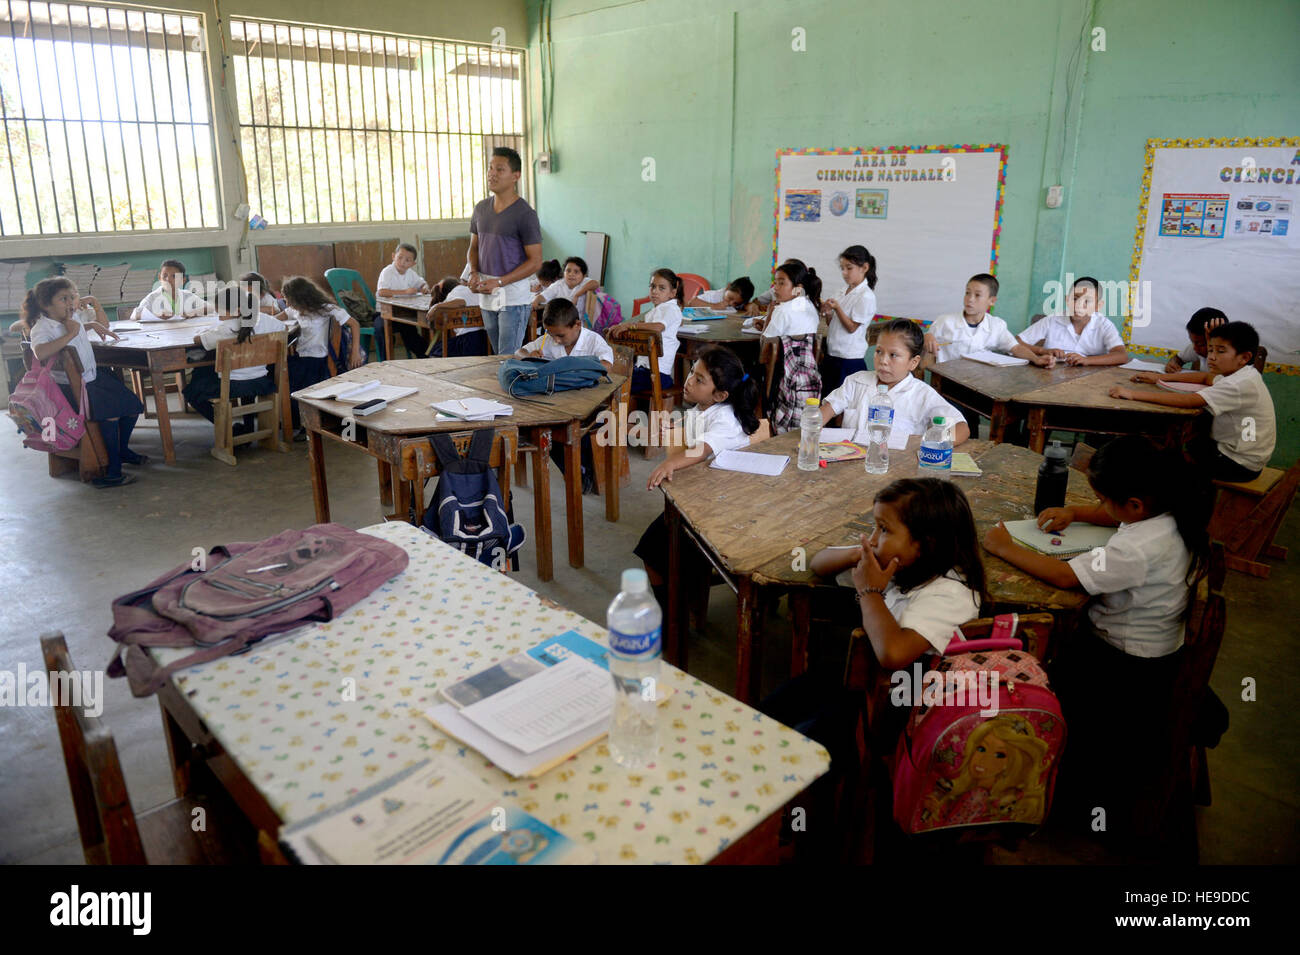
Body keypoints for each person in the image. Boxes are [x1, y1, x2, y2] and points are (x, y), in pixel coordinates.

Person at [982, 435, 1211, 847]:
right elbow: (1118, 518)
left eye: (1104, 499)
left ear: (1136, 504)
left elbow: (1066, 577)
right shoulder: (1172, 510)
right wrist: (1077, 511)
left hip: (1123, 669)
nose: (1102, 509)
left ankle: (1045, 785)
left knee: (1039, 665)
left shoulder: (1138, 548)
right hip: (1155, 653)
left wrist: (1004, 546)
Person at [810, 478, 985, 668]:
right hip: (866, 674)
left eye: (883, 529)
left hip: (907, 692)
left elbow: (893, 655)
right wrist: (859, 553)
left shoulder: (951, 596)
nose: (873, 539)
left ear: (926, 544)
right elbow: (818, 563)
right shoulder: (898, 562)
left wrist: (870, 591)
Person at [634, 345, 760, 608]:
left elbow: (700, 450)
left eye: (699, 379)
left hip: (721, 511)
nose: (689, 381)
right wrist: (675, 428)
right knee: (654, 551)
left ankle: (672, 616)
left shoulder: (726, 418)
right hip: (703, 499)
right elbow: (694, 430)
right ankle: (674, 607)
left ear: (721, 394)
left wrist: (670, 463)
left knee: (652, 552)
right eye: (692, 372)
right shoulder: (705, 408)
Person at [1110, 319, 1275, 482]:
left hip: (1238, 464)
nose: (1212, 357)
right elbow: (1205, 377)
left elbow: (1190, 400)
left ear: (1244, 357)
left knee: (1169, 458)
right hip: (1242, 454)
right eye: (1210, 350)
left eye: (1220, 351)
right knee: (1184, 438)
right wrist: (1160, 378)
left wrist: (1132, 394)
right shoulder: (1245, 374)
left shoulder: (1238, 384)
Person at [24, 277, 146, 488]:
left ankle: (122, 449)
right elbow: (40, 351)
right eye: (63, 298)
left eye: (73, 296)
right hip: (72, 390)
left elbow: (91, 326)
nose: (71, 302)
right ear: (46, 305)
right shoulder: (42, 327)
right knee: (112, 414)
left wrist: (88, 325)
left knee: (133, 406)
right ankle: (113, 472)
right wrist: (71, 332)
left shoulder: (71, 317)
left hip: (92, 379)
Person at [821, 318, 970, 445]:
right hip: (850, 461)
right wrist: (812, 427)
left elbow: (961, 428)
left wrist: (928, 444)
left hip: (895, 467)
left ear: (913, 362)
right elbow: (826, 410)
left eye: (893, 355)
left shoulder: (922, 395)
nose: (883, 361)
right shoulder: (856, 381)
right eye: (879, 351)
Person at [518, 299, 614, 493]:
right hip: (559, 404)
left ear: (577, 325)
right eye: (552, 335)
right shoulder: (548, 339)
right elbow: (520, 352)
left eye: (560, 335)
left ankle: (583, 471)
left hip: (591, 405)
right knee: (545, 432)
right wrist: (528, 356)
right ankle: (574, 471)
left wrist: (573, 369)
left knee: (581, 431)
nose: (556, 341)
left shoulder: (593, 340)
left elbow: (606, 365)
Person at [182, 284, 287, 435]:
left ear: (237, 309)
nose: (218, 314)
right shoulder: (263, 319)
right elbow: (285, 330)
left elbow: (197, 340)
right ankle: (248, 428)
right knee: (208, 374)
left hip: (233, 385)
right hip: (262, 381)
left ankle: (228, 431)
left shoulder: (225, 329)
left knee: (191, 393)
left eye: (220, 310)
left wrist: (204, 332)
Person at [468, 146, 543, 354]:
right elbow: (474, 247)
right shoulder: (481, 208)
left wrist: (500, 281)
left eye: (500, 169)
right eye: (490, 168)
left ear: (515, 176)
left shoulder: (525, 214)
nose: (492, 173)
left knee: (507, 357)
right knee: (496, 357)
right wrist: (473, 273)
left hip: (513, 297)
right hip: (487, 293)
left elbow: (535, 261)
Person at [280, 276, 363, 436]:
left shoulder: (327, 308)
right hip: (303, 357)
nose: (287, 304)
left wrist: (355, 351)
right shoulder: (296, 310)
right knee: (279, 370)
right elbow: (277, 318)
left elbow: (354, 324)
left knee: (284, 376)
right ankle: (292, 419)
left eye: (288, 299)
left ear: (301, 297)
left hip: (318, 360)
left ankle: (303, 423)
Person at [923, 273, 1048, 367]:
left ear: (992, 301)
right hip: (946, 382)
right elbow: (927, 343)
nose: (970, 299)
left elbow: (1015, 348)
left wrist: (1036, 359)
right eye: (967, 293)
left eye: (977, 295)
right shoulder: (945, 321)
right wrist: (927, 337)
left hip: (979, 383)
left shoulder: (997, 325)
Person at [760, 261, 822, 433]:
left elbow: (763, 352)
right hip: (804, 377)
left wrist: (770, 314)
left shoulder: (783, 310)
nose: (775, 288)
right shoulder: (811, 305)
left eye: (781, 283)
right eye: (775, 282)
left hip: (779, 379)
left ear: (797, 288)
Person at [1016, 276, 1128, 366]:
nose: (1078, 305)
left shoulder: (1104, 325)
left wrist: (1087, 360)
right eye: (1075, 298)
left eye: (1087, 301)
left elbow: (1121, 355)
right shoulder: (1052, 320)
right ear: (1067, 299)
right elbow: (1016, 341)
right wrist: (1043, 351)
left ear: (1098, 306)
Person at [819, 245, 877, 395]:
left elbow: (851, 328)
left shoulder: (866, 296)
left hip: (849, 358)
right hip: (833, 354)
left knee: (845, 402)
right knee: (827, 397)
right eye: (842, 268)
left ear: (864, 267)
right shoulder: (841, 291)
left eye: (849, 268)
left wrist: (837, 308)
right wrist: (828, 312)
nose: (844, 273)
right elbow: (833, 324)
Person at [617, 268, 684, 395]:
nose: (655, 291)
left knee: (615, 381)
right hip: (647, 371)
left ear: (673, 293)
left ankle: (616, 412)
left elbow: (659, 326)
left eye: (661, 288)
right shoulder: (660, 309)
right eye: (652, 286)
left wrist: (631, 325)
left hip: (657, 375)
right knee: (616, 375)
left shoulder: (669, 308)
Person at [375, 242, 430, 359]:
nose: (402, 262)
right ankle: (385, 361)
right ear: (393, 256)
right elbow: (382, 292)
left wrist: (424, 287)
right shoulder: (387, 272)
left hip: (402, 313)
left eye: (407, 260)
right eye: (400, 258)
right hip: (384, 313)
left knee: (411, 330)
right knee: (381, 328)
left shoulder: (410, 274)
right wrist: (405, 292)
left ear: (413, 263)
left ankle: (426, 356)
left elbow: (421, 283)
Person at [425, 275, 488, 357]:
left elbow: (461, 302)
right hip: (486, 341)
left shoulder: (454, 293)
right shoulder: (471, 290)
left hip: (468, 343)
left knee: (435, 351)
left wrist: (437, 306)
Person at [131, 259, 214, 320]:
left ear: (183, 280)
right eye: (165, 276)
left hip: (184, 333)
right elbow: (134, 315)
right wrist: (157, 315)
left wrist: (191, 313)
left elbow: (210, 308)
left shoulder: (187, 295)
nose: (168, 279)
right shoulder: (153, 297)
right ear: (159, 277)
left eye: (174, 276)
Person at [1164, 306, 1224, 373]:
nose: (1195, 348)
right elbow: (1178, 358)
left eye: (1201, 344)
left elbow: (1210, 377)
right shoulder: (1197, 348)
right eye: (1193, 342)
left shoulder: (1232, 359)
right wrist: (1173, 363)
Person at [533, 256, 598, 308]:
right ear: (563, 273)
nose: (571, 274)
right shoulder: (559, 284)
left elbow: (595, 283)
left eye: (576, 272)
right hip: (559, 320)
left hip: (578, 322)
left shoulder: (583, 282)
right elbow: (545, 295)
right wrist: (537, 300)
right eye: (568, 271)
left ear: (584, 276)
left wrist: (577, 295)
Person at [686, 277, 755, 311]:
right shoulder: (714, 296)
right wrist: (714, 306)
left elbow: (744, 305)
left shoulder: (739, 301)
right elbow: (692, 302)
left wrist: (750, 305)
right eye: (730, 298)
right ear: (728, 287)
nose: (731, 303)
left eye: (736, 303)